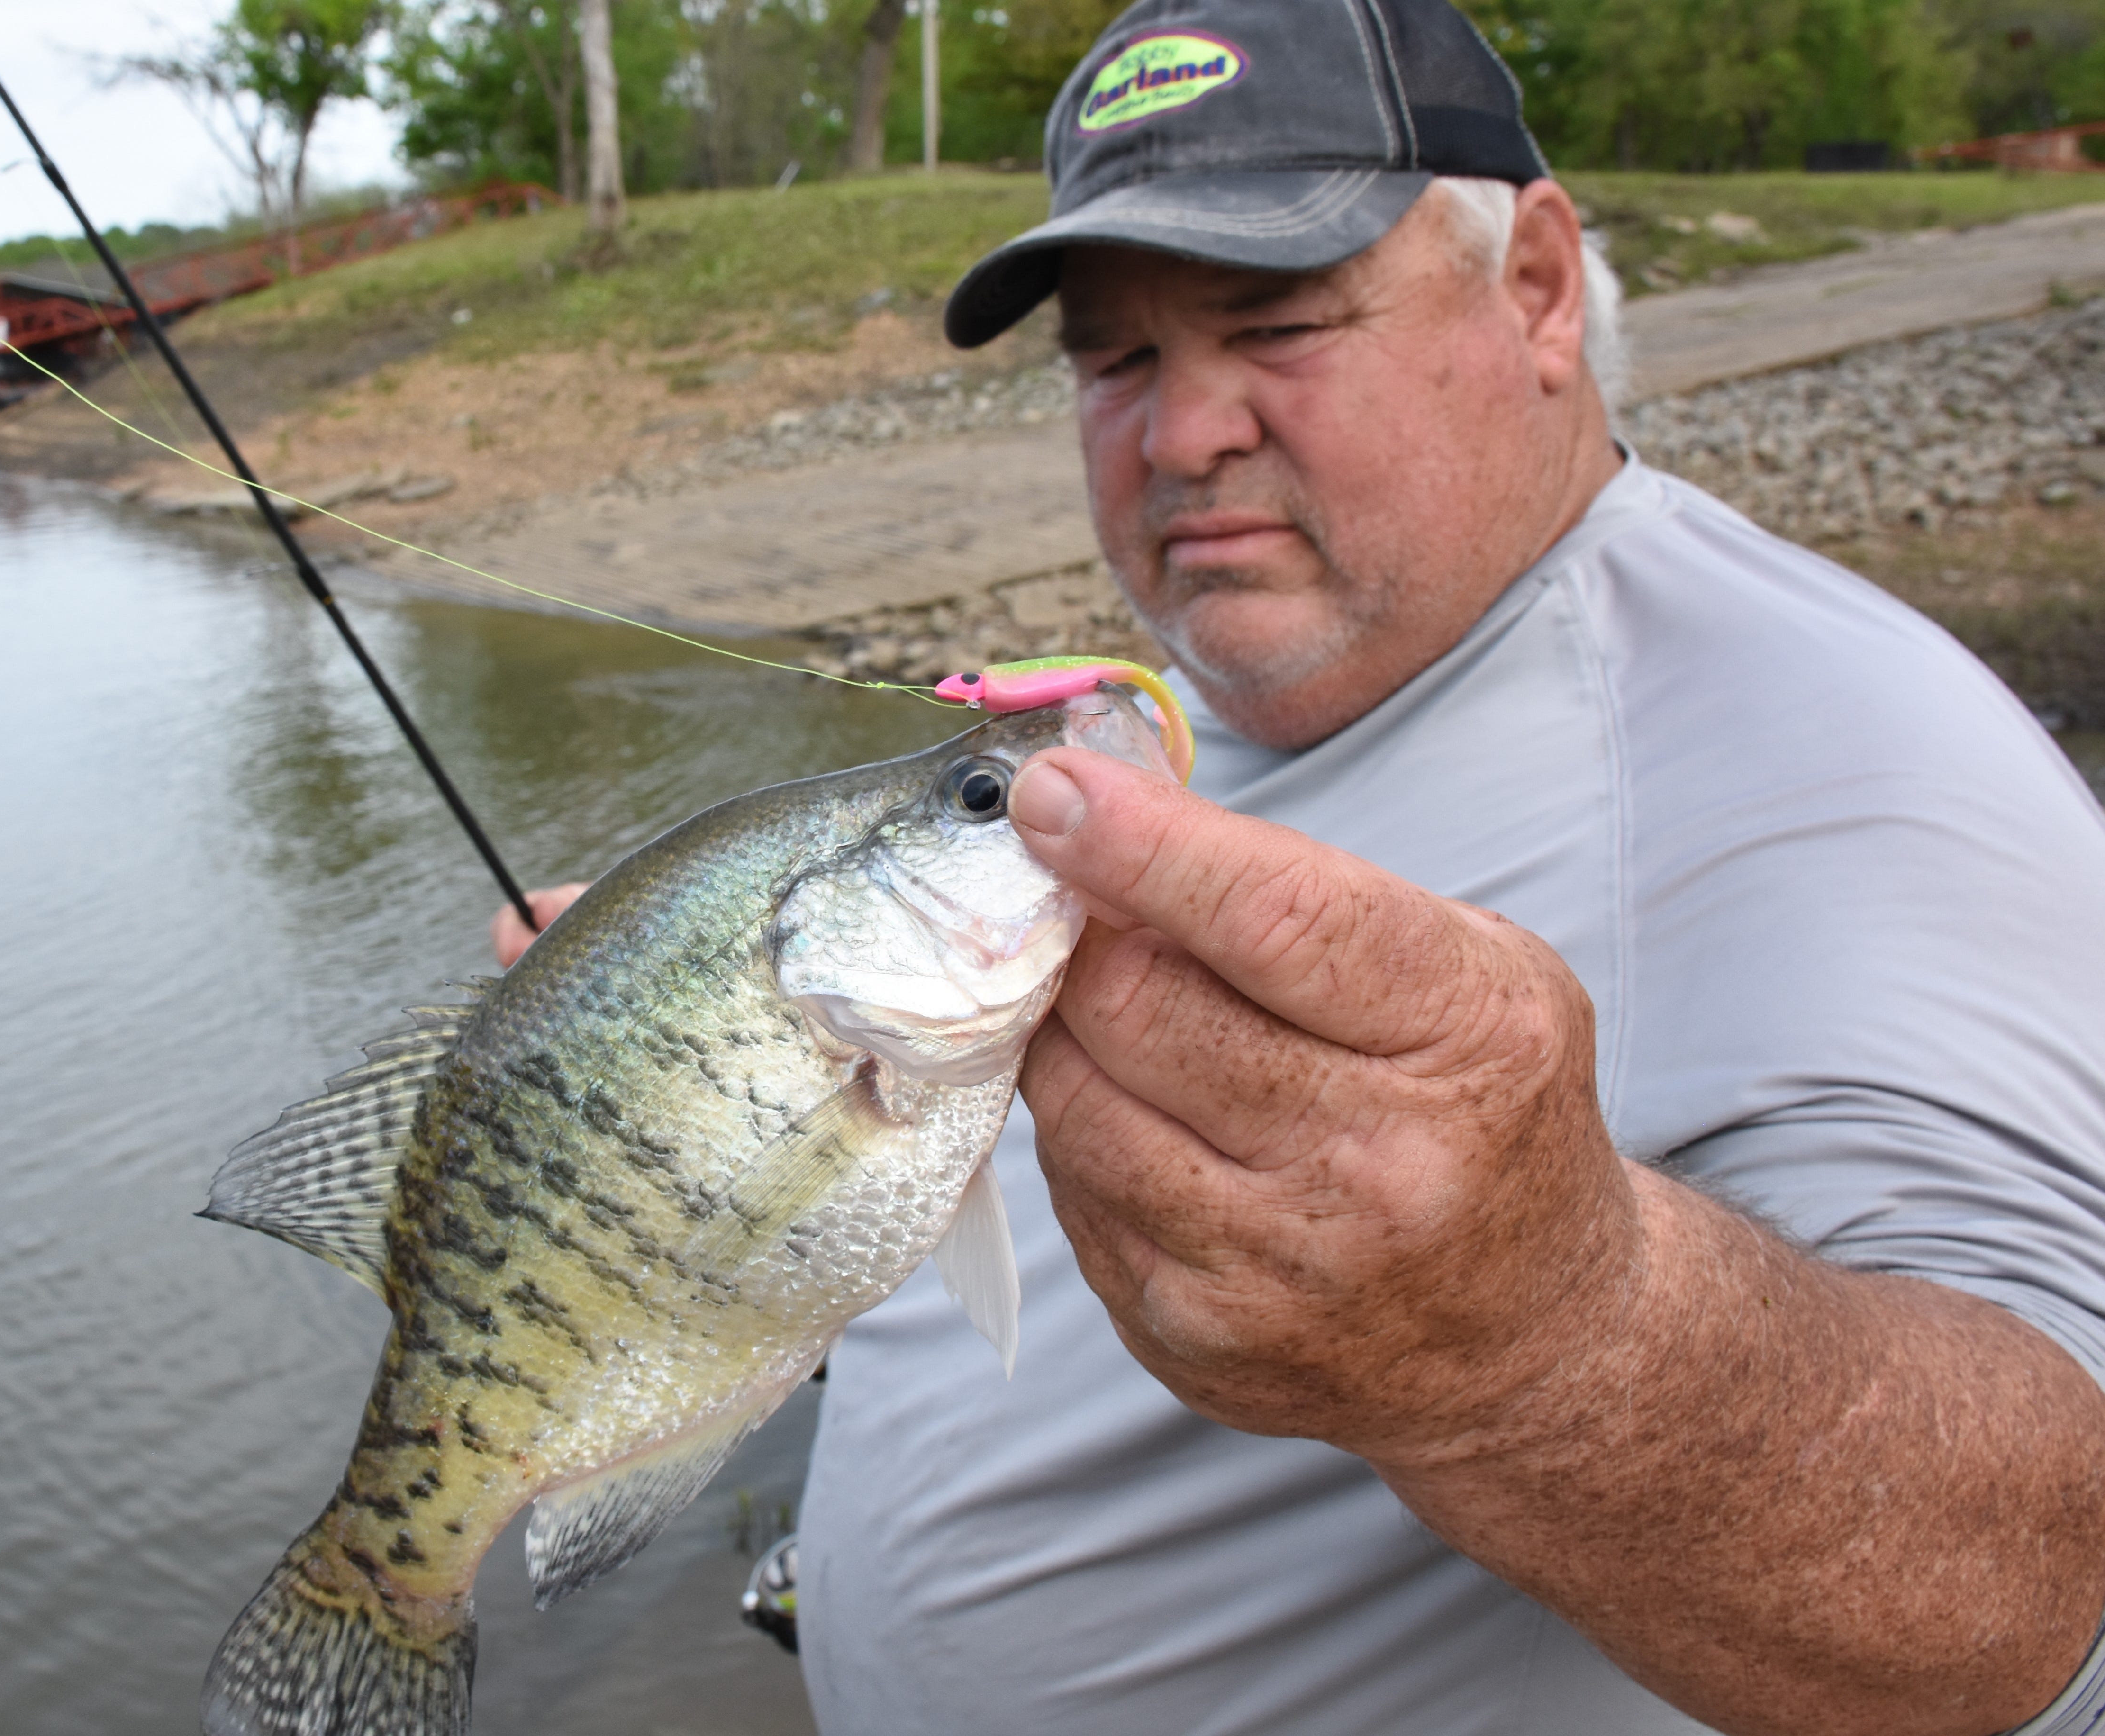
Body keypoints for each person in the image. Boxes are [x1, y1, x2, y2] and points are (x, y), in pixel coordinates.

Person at [493, 0, 2105, 1727]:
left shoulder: (1846, 758)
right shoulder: (1165, 720)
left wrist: (1554, 1344)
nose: (1182, 437)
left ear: (1540, 289)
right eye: (1114, 364)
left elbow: (2038, 1584)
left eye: (1279, 322)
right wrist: (713, 1172)